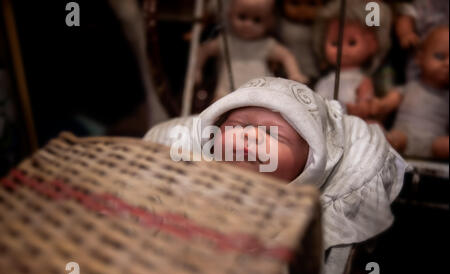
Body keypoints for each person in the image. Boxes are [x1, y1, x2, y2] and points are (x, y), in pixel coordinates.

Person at [144, 77, 408, 251]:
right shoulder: (189, 182)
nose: (249, 135)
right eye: (239, 126)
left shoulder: (299, 221)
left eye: (273, 134)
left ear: (309, 163)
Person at [196, 0, 308, 99]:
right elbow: (204, 50)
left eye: (257, 20)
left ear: (270, 21)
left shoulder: (266, 45)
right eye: (242, 17)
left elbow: (286, 56)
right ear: (230, 15)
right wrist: (197, 70)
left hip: (260, 92)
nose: (248, 24)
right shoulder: (226, 42)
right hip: (227, 92)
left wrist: (294, 74)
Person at [387, 25, 449, 160]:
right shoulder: (409, 88)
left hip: (434, 144)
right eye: (440, 56)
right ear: (419, 58)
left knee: (443, 145)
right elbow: (389, 102)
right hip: (404, 137)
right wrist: (379, 106)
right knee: (393, 138)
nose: (447, 64)